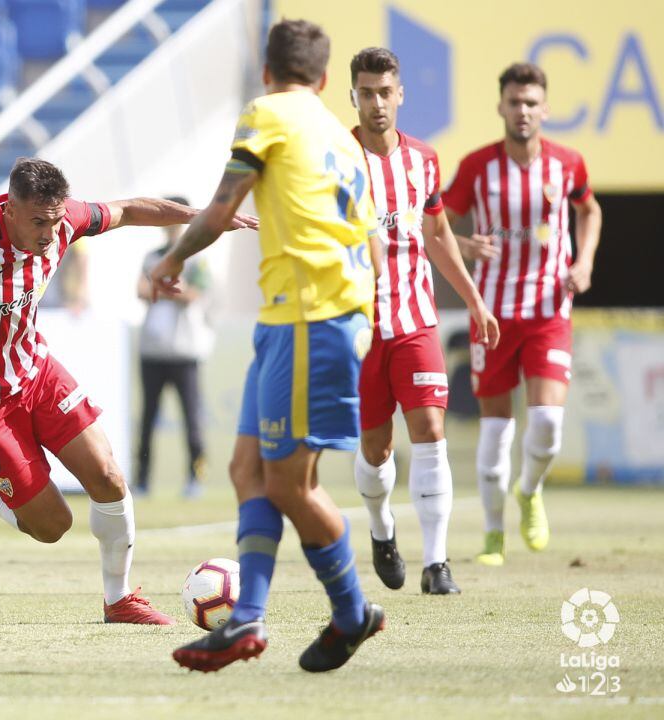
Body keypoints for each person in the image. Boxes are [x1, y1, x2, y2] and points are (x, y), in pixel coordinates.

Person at [0, 158, 257, 624]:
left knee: (109, 478)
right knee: (52, 527)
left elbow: (130, 209)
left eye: (55, 221)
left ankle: (119, 599)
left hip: (33, 370)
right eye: (38, 221)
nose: (50, 233)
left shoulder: (62, 220)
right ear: (9, 209)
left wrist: (202, 217)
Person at [152, 20, 386, 673]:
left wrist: (169, 261)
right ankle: (247, 621)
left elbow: (225, 205)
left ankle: (352, 612)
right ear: (320, 77)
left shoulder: (267, 113)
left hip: (315, 316)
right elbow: (374, 240)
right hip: (297, 315)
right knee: (247, 471)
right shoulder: (341, 135)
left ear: (266, 72)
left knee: (287, 484)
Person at [347, 48, 500, 595]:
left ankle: (437, 564)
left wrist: (475, 301)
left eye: (385, 92)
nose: (377, 103)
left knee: (431, 432)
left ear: (401, 94)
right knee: (375, 449)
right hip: (360, 329)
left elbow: (435, 235)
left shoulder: (424, 161)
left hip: (415, 322)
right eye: (367, 93)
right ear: (354, 97)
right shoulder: (338, 157)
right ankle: (381, 527)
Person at [443, 63, 602, 566]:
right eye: (515, 102)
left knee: (548, 424)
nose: (523, 111)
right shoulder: (476, 167)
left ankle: (529, 491)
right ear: (501, 108)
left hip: (549, 310)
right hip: (491, 314)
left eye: (532, 103)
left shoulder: (568, 164)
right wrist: (466, 245)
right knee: (495, 433)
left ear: (545, 109)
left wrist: (585, 261)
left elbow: (589, 210)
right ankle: (493, 535)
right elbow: (438, 219)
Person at [135, 198, 214, 498]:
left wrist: (161, 288)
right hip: (153, 349)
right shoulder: (151, 256)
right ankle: (142, 480)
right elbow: (140, 290)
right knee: (147, 419)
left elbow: (197, 293)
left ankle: (197, 478)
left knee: (192, 419)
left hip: (185, 350)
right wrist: (169, 289)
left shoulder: (196, 257)